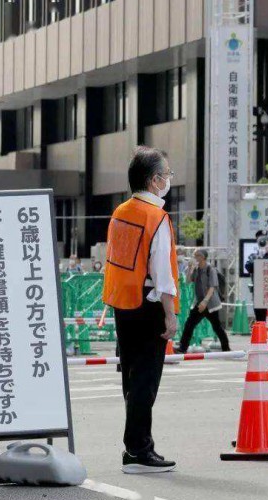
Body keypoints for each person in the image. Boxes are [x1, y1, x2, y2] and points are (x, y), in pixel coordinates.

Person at [103, 146, 179, 474]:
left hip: (123, 302)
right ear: (153, 180)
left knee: (132, 380)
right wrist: (170, 312)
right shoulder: (156, 218)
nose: (169, 180)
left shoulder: (120, 211)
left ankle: (135, 445)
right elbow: (162, 272)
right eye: (166, 175)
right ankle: (138, 449)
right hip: (148, 305)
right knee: (146, 380)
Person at [177, 249, 231, 353]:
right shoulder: (196, 269)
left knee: (217, 327)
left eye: (197, 255)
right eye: (195, 255)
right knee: (190, 324)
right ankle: (182, 348)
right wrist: (190, 268)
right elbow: (188, 281)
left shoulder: (210, 269)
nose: (195, 257)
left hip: (210, 304)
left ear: (203, 257)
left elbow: (212, 287)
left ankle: (226, 348)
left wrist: (205, 301)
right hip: (200, 303)